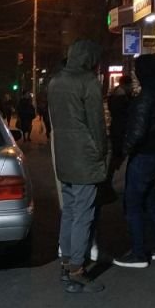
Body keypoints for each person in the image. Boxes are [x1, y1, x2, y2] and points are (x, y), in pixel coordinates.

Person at [48, 38, 108, 293]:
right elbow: (96, 123)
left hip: (64, 155)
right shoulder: (88, 82)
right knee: (84, 213)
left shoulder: (55, 81)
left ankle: (66, 261)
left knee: (70, 210)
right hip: (84, 155)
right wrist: (102, 152)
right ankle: (77, 269)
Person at [114, 53, 155, 269]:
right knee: (151, 202)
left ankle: (138, 253)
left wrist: (123, 151)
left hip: (143, 155)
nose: (135, 73)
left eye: (137, 69)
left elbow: (137, 132)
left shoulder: (147, 95)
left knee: (133, 204)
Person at [107, 71, 134, 173]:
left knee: (117, 156)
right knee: (117, 156)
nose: (132, 87)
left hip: (117, 128)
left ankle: (108, 177)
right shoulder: (121, 97)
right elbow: (125, 113)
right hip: (120, 130)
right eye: (130, 85)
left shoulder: (116, 94)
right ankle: (107, 179)